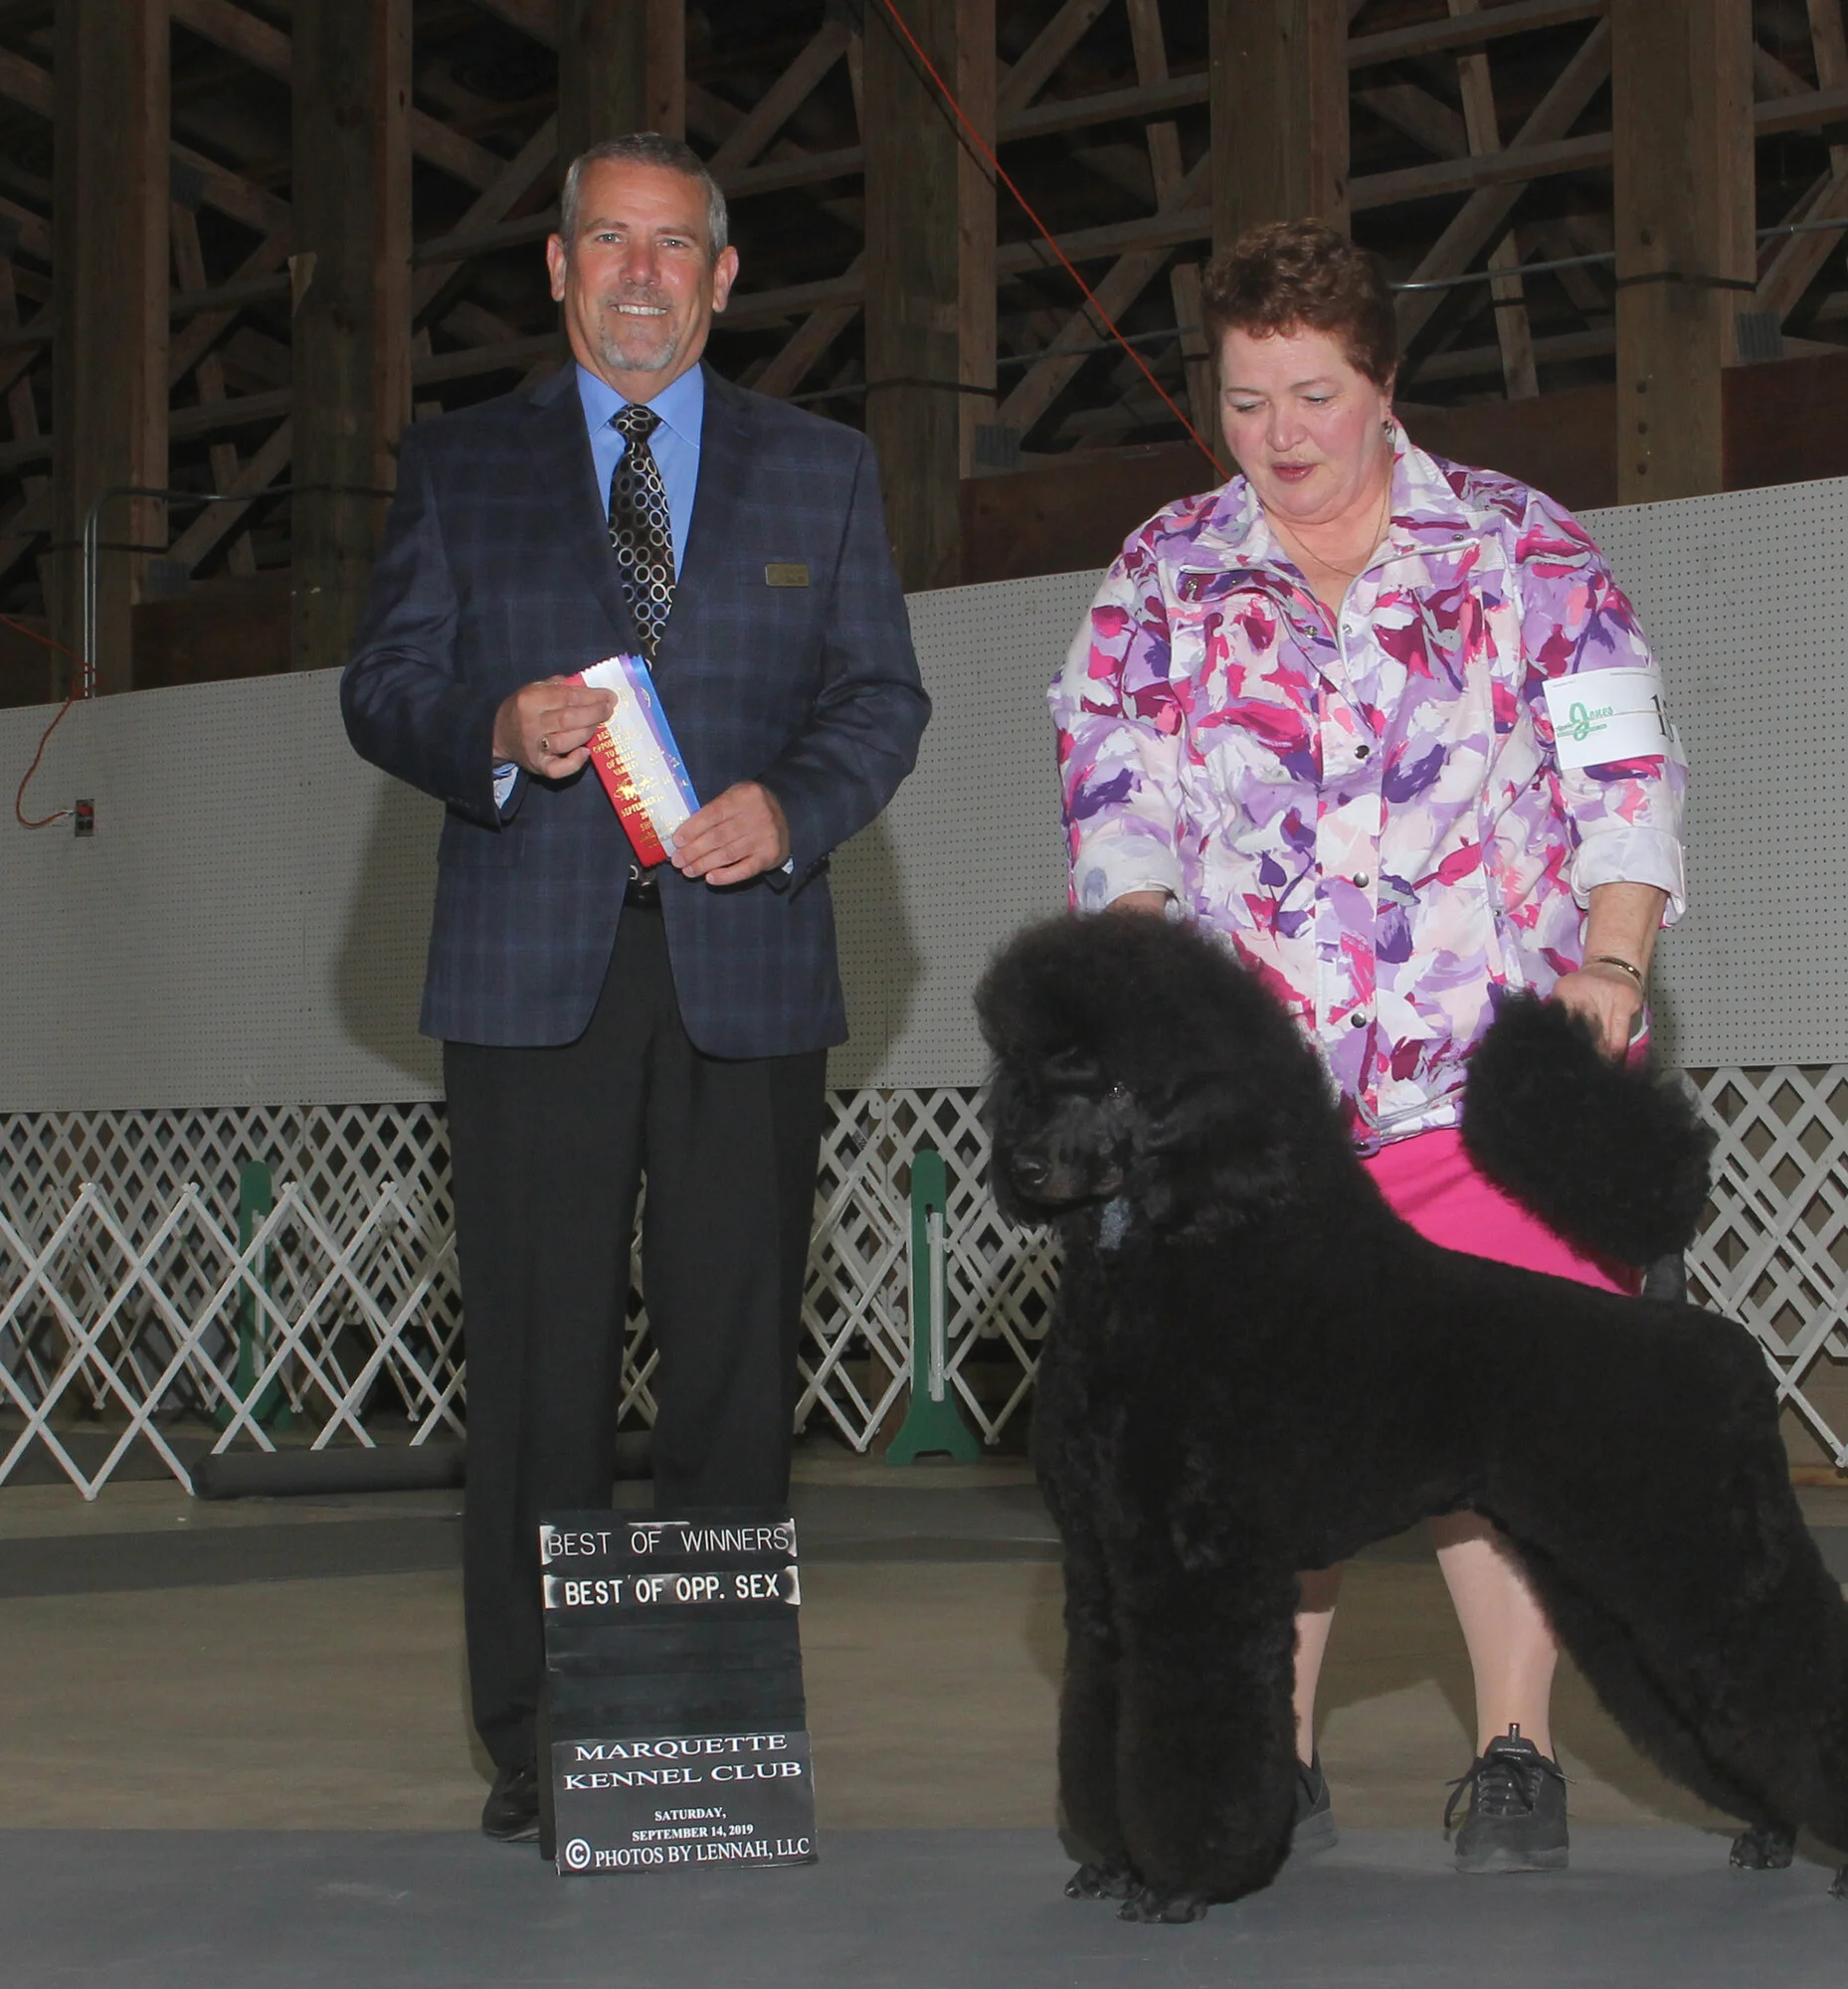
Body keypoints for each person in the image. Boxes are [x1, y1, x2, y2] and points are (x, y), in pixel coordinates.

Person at [1047, 219, 1687, 1874]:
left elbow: (1625, 776)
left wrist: (1614, 967)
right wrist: (1146, 1001)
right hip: (1259, 1116)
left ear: (1384, 384)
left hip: (1493, 1085)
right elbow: (1116, 809)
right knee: (1267, 1442)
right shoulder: (1160, 576)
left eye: (1314, 395)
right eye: (1246, 400)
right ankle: (1272, 1760)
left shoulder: (1528, 550)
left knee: (1500, 1431)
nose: (1280, 435)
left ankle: (1516, 1753)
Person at [340, 133, 928, 1843]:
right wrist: (490, 731)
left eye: (676, 246)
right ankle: (540, 1741)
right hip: (530, 980)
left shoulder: (824, 469)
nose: (644, 274)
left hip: (752, 971)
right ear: (559, 266)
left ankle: (714, 1731)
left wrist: (792, 811)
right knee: (539, 1375)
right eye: (611, 240)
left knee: (737, 1372)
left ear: (725, 278)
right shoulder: (460, 465)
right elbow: (381, 685)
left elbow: (881, 701)